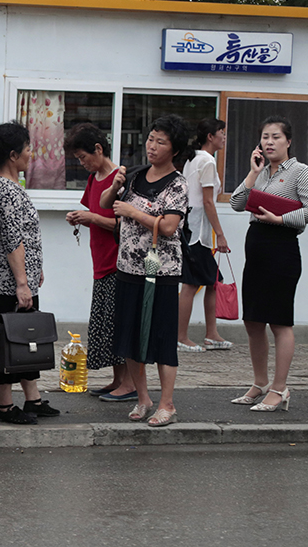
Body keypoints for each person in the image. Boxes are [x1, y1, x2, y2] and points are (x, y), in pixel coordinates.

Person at [101, 115, 192, 427]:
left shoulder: (178, 184)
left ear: (175, 149)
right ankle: (143, 398)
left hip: (161, 272)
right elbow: (105, 203)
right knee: (129, 336)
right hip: (127, 267)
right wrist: (114, 188)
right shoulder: (137, 174)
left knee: (162, 338)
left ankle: (167, 403)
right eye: (151, 139)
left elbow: (168, 226)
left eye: (161, 142)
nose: (152, 146)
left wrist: (132, 211)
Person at [229, 116, 308, 411]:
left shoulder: (300, 172)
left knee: (279, 321)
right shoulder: (262, 172)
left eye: (276, 137)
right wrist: (253, 174)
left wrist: (280, 219)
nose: (269, 142)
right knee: (253, 320)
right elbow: (236, 204)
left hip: (281, 248)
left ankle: (280, 389)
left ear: (288, 141)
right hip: (256, 248)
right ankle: (259, 383)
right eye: (265, 137)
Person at [0, 121, 59, 424]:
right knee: (8, 341)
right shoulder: (5, 189)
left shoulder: (9, 187)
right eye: (28, 149)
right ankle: (3, 405)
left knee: (28, 339)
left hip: (16, 279)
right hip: (6, 283)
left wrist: (34, 269)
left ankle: (33, 399)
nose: (32, 155)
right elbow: (12, 239)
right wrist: (22, 283)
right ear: (13, 155)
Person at [65, 123, 136, 402]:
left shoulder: (120, 178)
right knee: (106, 323)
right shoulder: (95, 177)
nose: (82, 164)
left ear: (98, 149)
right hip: (101, 261)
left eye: (84, 157)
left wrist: (92, 219)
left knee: (118, 324)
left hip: (118, 263)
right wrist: (80, 217)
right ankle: (118, 379)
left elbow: (124, 223)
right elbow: (92, 211)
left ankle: (129, 383)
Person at [178, 118, 232, 352]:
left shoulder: (193, 159)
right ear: (210, 136)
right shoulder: (207, 161)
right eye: (221, 132)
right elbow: (208, 202)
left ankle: (212, 334)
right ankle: (181, 336)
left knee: (213, 281)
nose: (224, 137)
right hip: (197, 232)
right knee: (191, 284)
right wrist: (220, 234)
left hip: (190, 227)